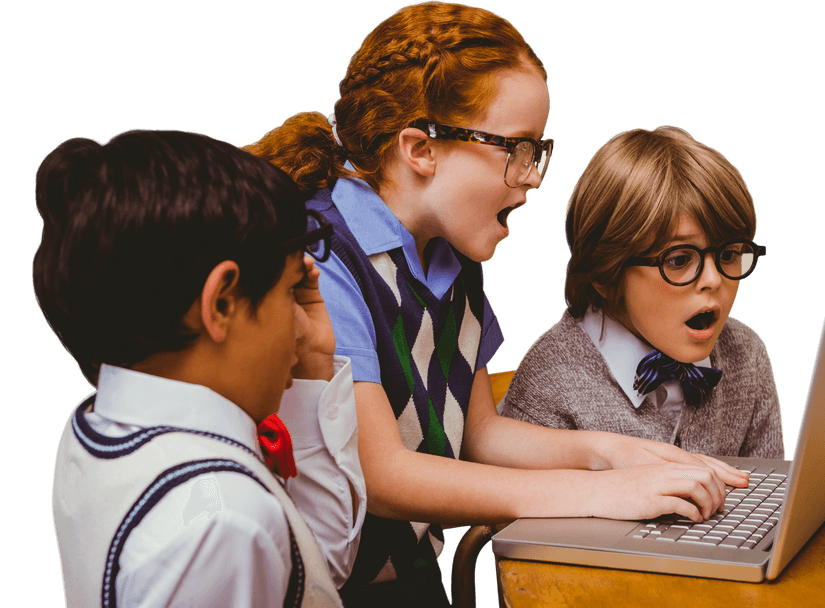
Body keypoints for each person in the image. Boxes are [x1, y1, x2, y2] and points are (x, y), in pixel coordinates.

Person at [246, 3, 748, 605]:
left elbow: (478, 432)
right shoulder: (324, 257)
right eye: (518, 149)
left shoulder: (453, 255)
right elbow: (381, 476)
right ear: (420, 149)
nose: (534, 176)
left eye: (539, 150)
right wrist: (591, 495)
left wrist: (609, 453)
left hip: (405, 579)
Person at [36, 129, 365, 607]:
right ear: (222, 303)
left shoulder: (101, 423)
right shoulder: (221, 520)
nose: (300, 325)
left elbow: (312, 569)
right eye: (290, 290)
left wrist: (313, 364)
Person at [501, 126, 785, 460]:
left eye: (728, 255)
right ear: (606, 274)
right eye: (679, 260)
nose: (713, 279)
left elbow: (772, 496)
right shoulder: (547, 386)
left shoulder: (746, 354)